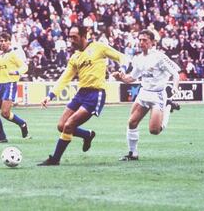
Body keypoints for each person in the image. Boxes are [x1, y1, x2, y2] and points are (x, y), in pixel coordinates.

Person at [38, 25, 128, 166]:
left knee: (69, 125)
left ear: (84, 35)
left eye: (74, 37)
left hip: (95, 93)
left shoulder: (99, 47)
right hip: (81, 94)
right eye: (70, 37)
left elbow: (121, 56)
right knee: (61, 125)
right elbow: (65, 77)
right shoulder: (75, 57)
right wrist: (50, 95)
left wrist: (122, 69)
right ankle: (87, 135)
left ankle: (55, 159)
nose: (71, 40)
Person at [112, 29, 181, 161]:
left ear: (152, 42)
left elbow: (175, 74)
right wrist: (120, 77)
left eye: (145, 40)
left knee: (154, 131)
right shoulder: (138, 59)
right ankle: (133, 154)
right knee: (132, 122)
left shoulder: (159, 57)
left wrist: (175, 87)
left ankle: (167, 107)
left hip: (158, 95)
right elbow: (131, 78)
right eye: (140, 40)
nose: (141, 42)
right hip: (144, 93)